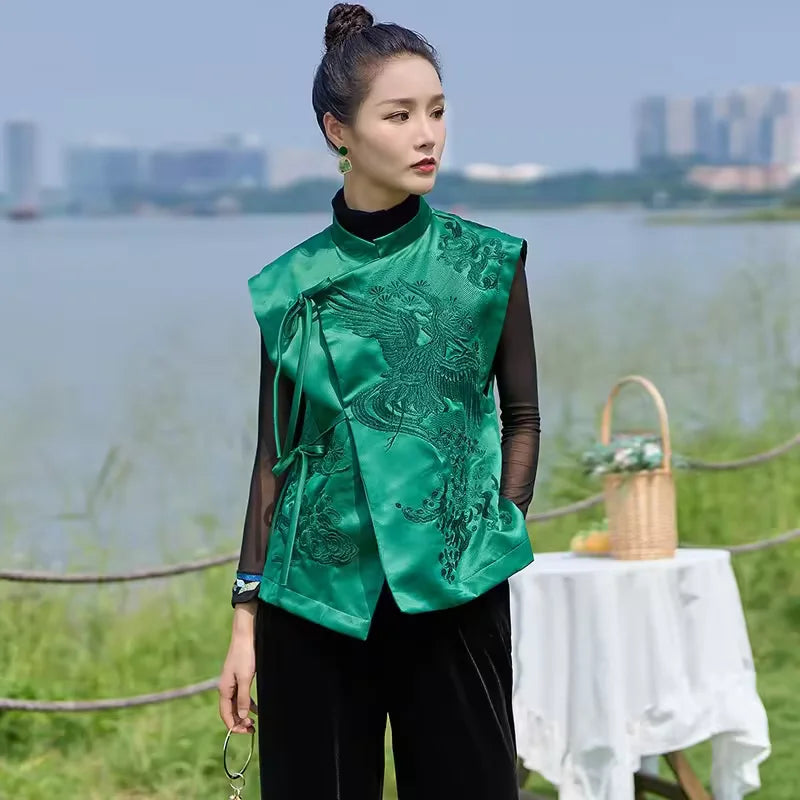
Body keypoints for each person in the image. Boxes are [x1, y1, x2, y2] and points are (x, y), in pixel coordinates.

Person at [218, 4, 541, 798]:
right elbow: (273, 458)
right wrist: (245, 617)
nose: (427, 135)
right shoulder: (288, 286)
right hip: (315, 601)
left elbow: (523, 419)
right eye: (399, 116)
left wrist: (496, 527)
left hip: (454, 592)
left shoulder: (486, 264)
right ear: (340, 131)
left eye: (437, 110)